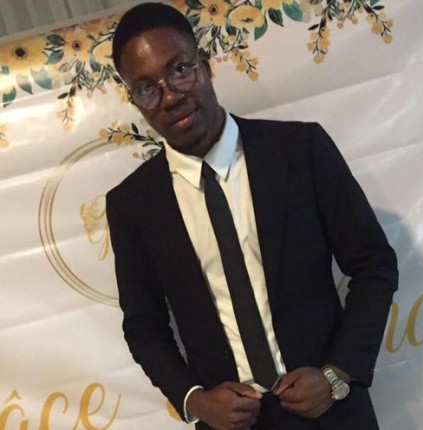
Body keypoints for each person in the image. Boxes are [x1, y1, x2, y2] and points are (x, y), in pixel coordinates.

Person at [106, 3, 398, 430]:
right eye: (147, 88)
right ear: (135, 101)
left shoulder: (300, 151)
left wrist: (337, 376)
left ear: (205, 66)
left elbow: (374, 264)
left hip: (332, 412)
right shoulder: (133, 204)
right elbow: (144, 326)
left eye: (180, 70)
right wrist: (194, 400)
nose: (170, 97)